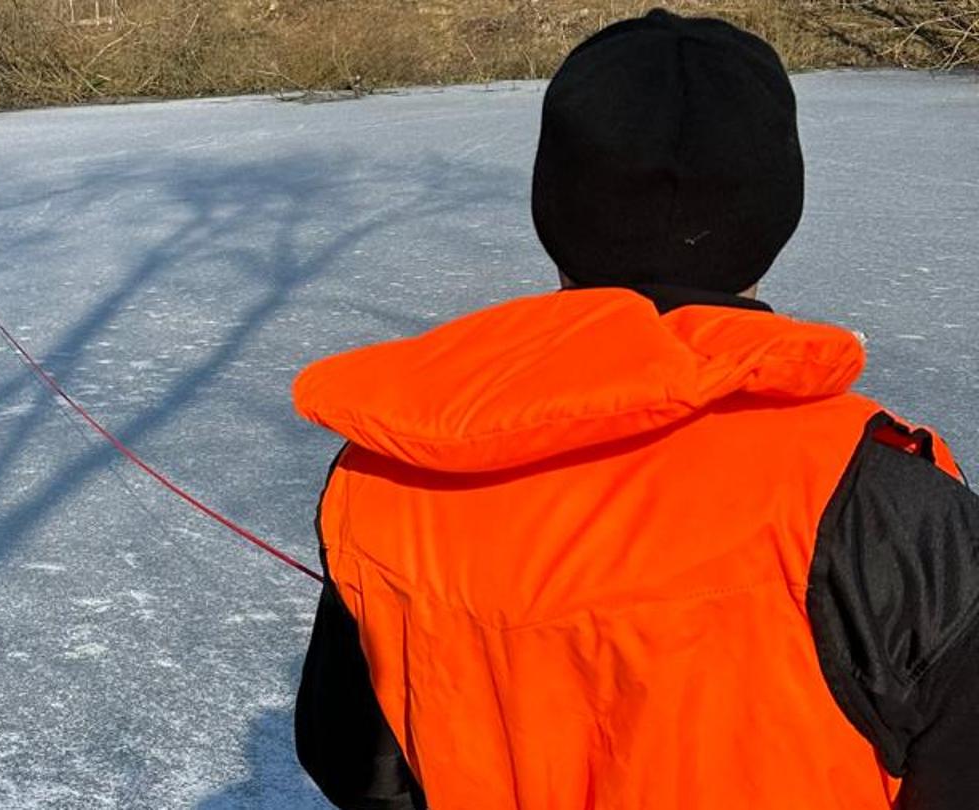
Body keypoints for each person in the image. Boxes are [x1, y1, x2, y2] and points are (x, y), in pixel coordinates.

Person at [291, 10, 977, 809]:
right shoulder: (886, 507)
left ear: (557, 211)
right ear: (773, 214)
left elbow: (353, 760)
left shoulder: (387, 475)